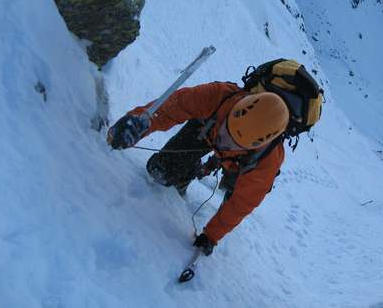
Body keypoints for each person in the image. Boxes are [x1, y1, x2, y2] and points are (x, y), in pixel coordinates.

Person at [107, 81, 290, 256]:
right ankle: (188, 171)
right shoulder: (218, 96)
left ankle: (203, 167)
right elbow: (169, 108)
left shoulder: (265, 162)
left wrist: (211, 235)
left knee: (231, 191)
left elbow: (240, 204)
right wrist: (138, 124)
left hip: (239, 164)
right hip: (208, 127)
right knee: (159, 170)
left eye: (233, 142)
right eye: (227, 130)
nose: (224, 141)